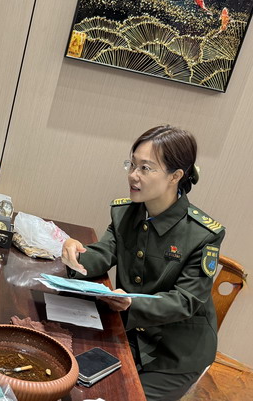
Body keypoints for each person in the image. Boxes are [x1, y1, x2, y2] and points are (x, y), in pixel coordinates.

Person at [61, 125, 225, 401]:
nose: (133, 175)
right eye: (132, 164)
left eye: (145, 168)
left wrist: (132, 303)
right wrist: (75, 254)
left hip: (174, 355)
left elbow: (186, 301)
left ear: (175, 176)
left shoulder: (202, 234)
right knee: (66, 377)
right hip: (127, 333)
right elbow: (105, 251)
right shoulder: (126, 212)